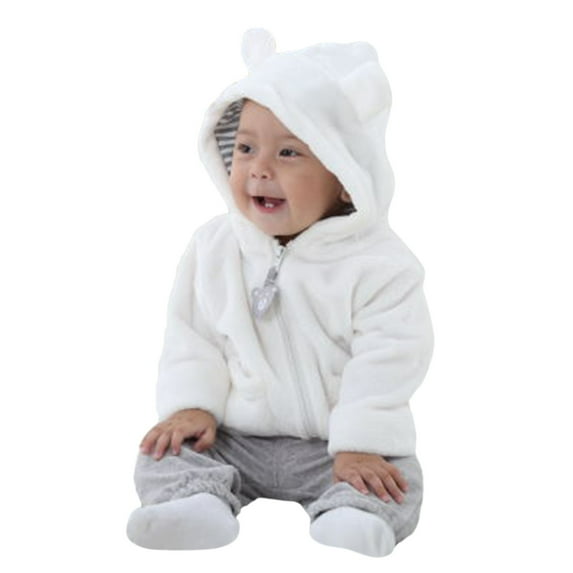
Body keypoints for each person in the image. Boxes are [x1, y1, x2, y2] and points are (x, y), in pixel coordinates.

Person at [126, 29, 434, 558]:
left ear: (345, 174)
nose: (259, 168)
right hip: (233, 437)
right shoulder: (215, 247)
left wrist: (360, 442)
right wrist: (192, 406)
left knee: (394, 474)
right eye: (245, 148)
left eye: (289, 152)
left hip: (333, 448)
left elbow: (390, 357)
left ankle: (355, 514)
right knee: (163, 449)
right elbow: (193, 336)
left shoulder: (381, 265)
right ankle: (193, 502)